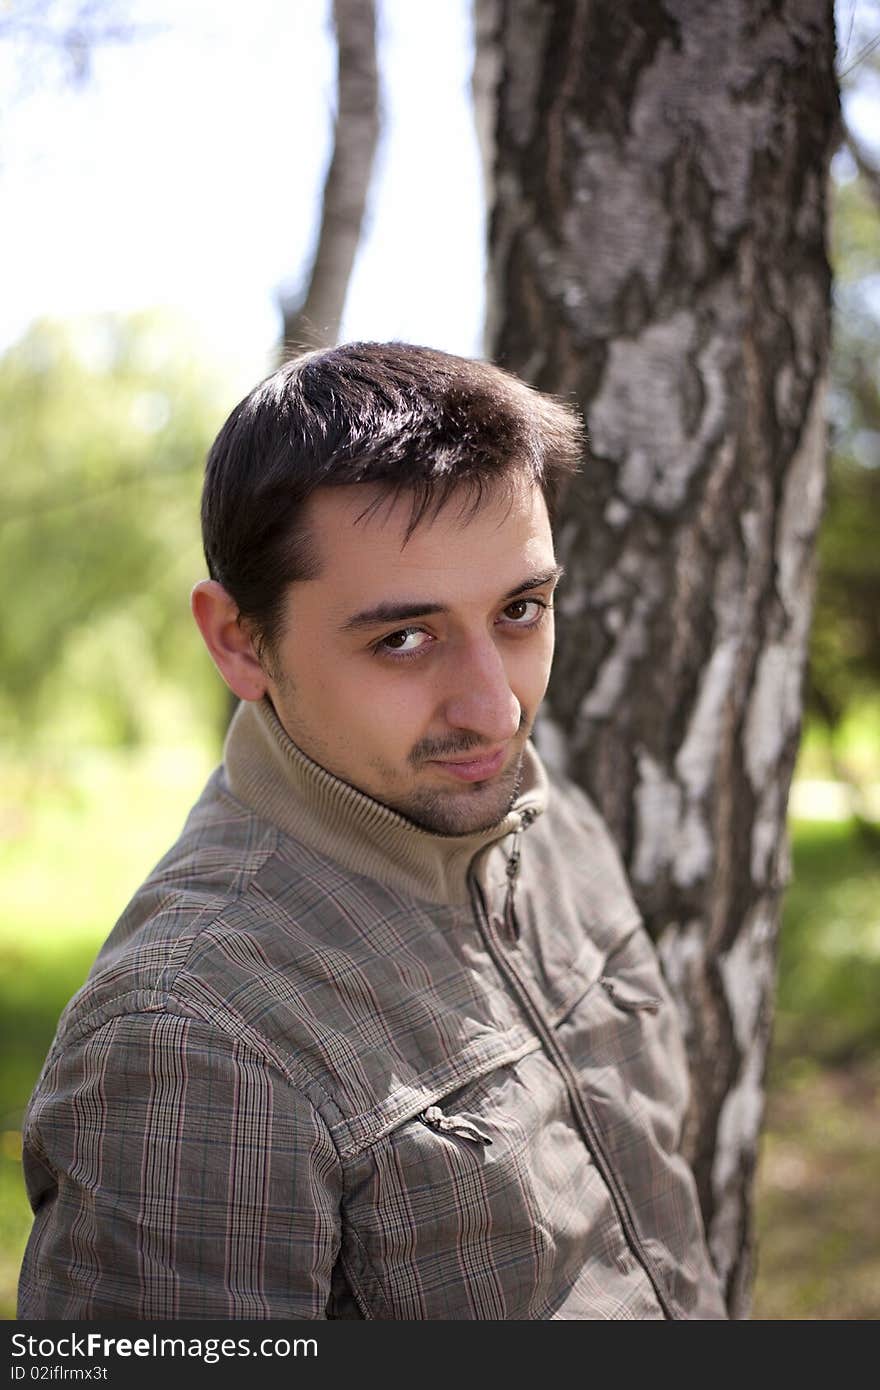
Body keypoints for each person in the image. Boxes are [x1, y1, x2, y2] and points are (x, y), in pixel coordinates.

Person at [18, 342, 727, 1321]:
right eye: (402, 637)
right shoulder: (192, 1038)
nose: (495, 710)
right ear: (238, 639)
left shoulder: (546, 821)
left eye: (521, 609)